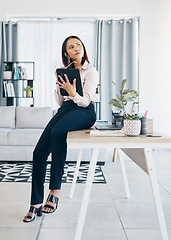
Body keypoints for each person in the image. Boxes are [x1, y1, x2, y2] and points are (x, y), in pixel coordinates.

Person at [23, 36, 99, 222]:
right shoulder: (64, 71)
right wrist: (59, 87)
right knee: (38, 153)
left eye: (78, 45)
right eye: (71, 47)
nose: (76, 48)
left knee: (58, 131)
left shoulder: (91, 71)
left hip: (85, 111)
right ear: (66, 53)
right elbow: (59, 102)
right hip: (65, 109)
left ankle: (55, 191)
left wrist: (73, 92)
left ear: (83, 48)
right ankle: (35, 203)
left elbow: (86, 101)